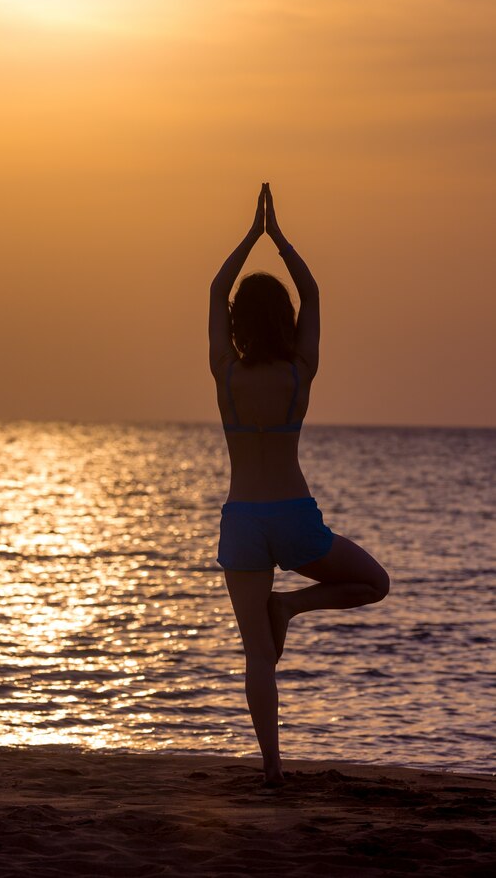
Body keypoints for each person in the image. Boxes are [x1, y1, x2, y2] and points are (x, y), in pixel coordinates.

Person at [208, 182, 390, 787]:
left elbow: (215, 289)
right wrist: (278, 238)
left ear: (237, 322)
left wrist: (249, 235)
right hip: (293, 516)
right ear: (285, 320)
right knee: (374, 584)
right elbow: (312, 291)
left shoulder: (226, 374)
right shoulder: (298, 373)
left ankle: (272, 770)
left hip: (242, 521)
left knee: (259, 657)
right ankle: (294, 604)